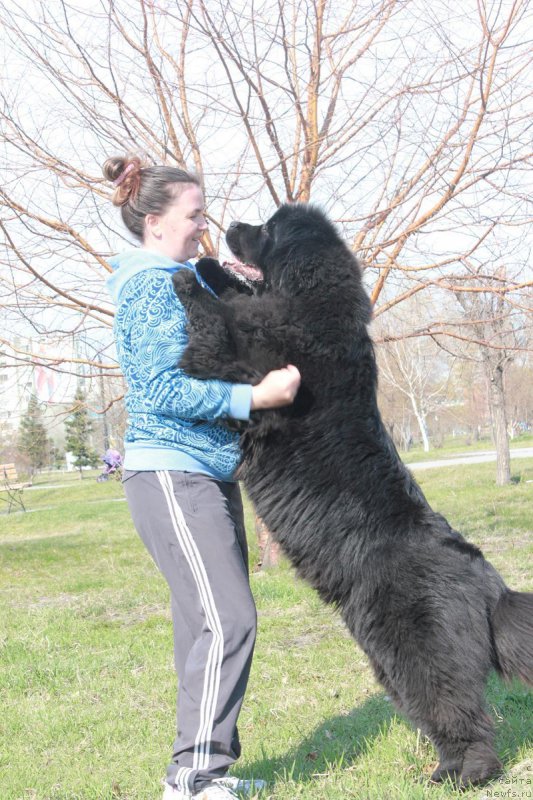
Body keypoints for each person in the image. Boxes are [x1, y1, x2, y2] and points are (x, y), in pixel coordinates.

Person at [103, 154, 301, 800]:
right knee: (229, 620)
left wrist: (240, 281)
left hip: (200, 471)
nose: (202, 226)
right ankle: (192, 779)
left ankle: (198, 773)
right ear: (156, 222)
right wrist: (254, 400)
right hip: (170, 473)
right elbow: (160, 388)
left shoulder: (183, 276)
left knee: (203, 625)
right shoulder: (150, 286)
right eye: (194, 216)